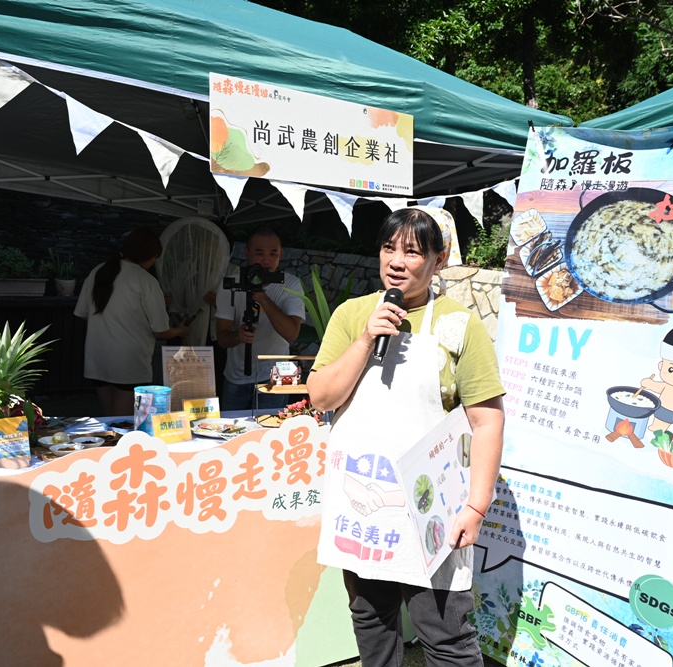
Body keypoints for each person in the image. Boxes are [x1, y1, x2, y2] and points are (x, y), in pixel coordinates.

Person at [307, 207, 505, 667]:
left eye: (413, 251)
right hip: (363, 506)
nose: (396, 261)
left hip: (431, 510)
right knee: (371, 625)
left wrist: (476, 506)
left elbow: (487, 421)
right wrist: (363, 341)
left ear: (439, 260)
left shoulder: (460, 325)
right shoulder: (352, 313)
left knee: (446, 635)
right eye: (388, 247)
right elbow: (322, 396)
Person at [74, 228, 188, 416]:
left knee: (110, 418)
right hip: (128, 363)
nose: (153, 263)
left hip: (97, 358)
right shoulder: (145, 280)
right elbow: (161, 330)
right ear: (148, 256)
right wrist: (180, 331)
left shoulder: (99, 271)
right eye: (154, 258)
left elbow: (83, 312)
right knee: (121, 423)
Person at [215, 226, 305, 411]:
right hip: (236, 375)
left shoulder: (290, 285)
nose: (266, 260)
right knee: (232, 431)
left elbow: (291, 334)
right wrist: (238, 336)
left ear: (281, 254)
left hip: (275, 376)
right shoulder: (230, 285)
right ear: (247, 253)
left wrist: (262, 297)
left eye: (273, 253)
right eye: (259, 253)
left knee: (269, 432)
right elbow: (222, 339)